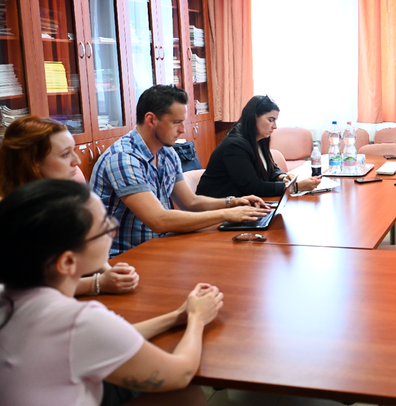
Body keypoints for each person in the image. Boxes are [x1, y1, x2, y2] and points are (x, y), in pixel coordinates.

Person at [0, 180, 223, 406]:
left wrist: (176, 317)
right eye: (104, 227)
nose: (113, 231)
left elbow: (106, 338)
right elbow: (180, 374)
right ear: (67, 261)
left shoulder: (9, 297)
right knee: (188, 396)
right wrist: (197, 318)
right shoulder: (78, 320)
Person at [91, 85, 270, 257]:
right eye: (176, 122)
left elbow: (190, 202)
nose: (183, 129)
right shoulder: (124, 158)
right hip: (123, 259)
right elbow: (158, 220)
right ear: (151, 120)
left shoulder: (166, 153)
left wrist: (232, 202)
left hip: (158, 247)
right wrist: (226, 214)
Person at [0, 116, 139, 296]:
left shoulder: (58, 195)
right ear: (33, 163)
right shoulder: (9, 214)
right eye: (65, 154)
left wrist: (111, 272)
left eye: (74, 150)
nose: (77, 161)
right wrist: (97, 283)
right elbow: (14, 291)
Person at [197, 95, 320, 198]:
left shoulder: (259, 139)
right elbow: (253, 188)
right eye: (271, 120)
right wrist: (295, 187)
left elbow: (271, 169)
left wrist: (282, 177)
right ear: (254, 116)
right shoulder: (235, 146)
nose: (275, 126)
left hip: (240, 205)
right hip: (216, 208)